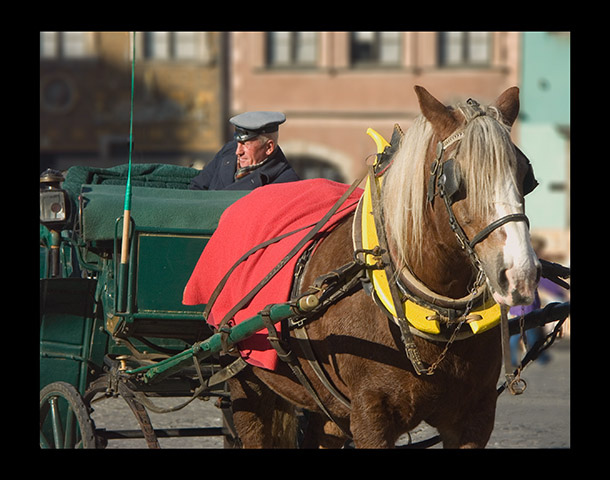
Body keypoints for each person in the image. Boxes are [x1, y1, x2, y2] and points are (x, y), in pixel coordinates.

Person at [190, 111, 300, 190]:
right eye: (238, 143)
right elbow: (197, 187)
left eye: (246, 144)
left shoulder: (287, 184)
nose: (238, 151)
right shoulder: (229, 150)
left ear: (268, 148)